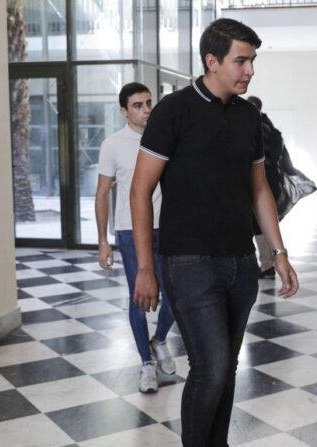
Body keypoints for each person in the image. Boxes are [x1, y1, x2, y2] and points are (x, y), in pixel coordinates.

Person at [130, 18, 299, 447]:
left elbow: (260, 189)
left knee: (227, 368)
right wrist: (145, 268)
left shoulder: (248, 117)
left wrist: (277, 253)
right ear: (212, 61)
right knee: (212, 366)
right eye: (241, 61)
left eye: (252, 61)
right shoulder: (174, 110)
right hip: (189, 262)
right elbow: (140, 188)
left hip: (240, 263)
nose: (250, 70)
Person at [94, 82, 176, 394]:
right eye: (138, 105)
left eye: (148, 103)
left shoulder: (167, 139)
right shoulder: (112, 145)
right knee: (139, 297)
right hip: (130, 232)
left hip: (167, 229)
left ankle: (161, 339)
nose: (146, 111)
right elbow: (102, 193)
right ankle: (146, 362)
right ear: (124, 111)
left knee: (174, 295)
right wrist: (104, 240)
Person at [246, 96, 316, 279]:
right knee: (264, 221)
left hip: (260, 183)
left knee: (258, 223)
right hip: (273, 182)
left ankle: (267, 264)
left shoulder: (255, 129)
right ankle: (269, 261)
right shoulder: (274, 131)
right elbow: (285, 161)